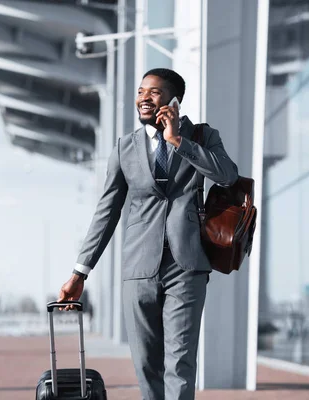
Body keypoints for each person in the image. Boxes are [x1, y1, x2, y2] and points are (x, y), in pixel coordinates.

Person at [57, 68, 238, 400]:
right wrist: (80, 271)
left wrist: (178, 141)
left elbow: (227, 175)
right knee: (146, 364)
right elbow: (106, 212)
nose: (143, 98)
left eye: (153, 92)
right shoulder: (125, 147)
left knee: (180, 361)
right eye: (141, 91)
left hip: (187, 265)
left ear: (174, 100)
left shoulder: (201, 136)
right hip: (138, 268)